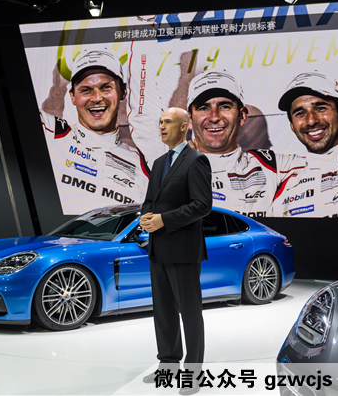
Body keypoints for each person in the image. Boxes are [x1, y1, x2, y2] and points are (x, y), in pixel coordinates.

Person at [140, 107, 212, 395]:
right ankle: (168, 365)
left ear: (184, 126)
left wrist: (164, 220)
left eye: (168, 122)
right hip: (158, 248)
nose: (162, 126)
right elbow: (150, 200)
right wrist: (146, 217)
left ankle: (193, 374)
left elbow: (202, 205)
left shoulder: (196, 160)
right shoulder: (159, 163)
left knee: (190, 314)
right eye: (160, 122)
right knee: (163, 312)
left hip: (183, 251)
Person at [39, 48, 151, 215]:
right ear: (72, 96)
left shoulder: (140, 162)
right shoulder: (53, 132)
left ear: (123, 91)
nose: (97, 98)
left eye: (105, 88)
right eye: (86, 90)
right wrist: (57, 86)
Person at [186, 69, 307, 218]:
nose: (214, 117)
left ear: (242, 116)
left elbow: (325, 160)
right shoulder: (169, 170)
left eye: (224, 106)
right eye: (204, 108)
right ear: (189, 120)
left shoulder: (274, 166)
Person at [271, 71, 338, 218]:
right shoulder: (285, 191)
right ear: (292, 126)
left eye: (320, 108)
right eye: (300, 113)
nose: (311, 121)